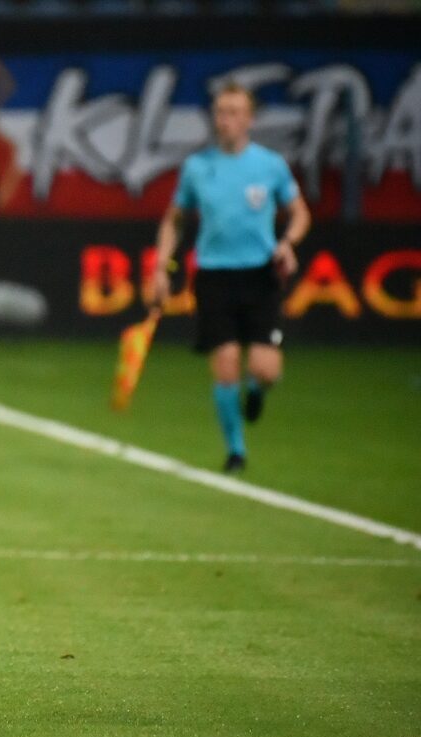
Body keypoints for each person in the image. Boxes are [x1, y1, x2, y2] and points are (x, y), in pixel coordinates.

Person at [152, 83, 310, 473]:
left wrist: (288, 243)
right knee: (225, 362)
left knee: (265, 369)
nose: (226, 120)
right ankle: (236, 451)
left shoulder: (270, 165)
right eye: (221, 112)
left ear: (250, 119)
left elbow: (300, 213)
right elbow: (174, 220)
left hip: (260, 275)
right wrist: (161, 266)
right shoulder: (197, 167)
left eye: (235, 112)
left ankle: (256, 390)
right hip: (214, 275)